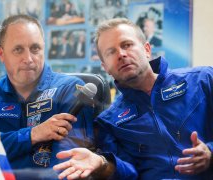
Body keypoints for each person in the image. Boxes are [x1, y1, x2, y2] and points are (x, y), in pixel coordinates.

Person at [53, 18, 213, 179]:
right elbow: (129, 174)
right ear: (105, 67)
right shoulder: (109, 122)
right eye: (111, 52)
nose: (121, 54)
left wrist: (210, 152)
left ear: (147, 50)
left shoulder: (203, 80)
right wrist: (102, 163)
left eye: (127, 45)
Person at [0, 14, 94, 178]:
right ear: (1, 54)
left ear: (44, 48)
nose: (28, 59)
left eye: (35, 48)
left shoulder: (70, 91)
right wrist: (32, 135)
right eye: (18, 50)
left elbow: (70, 162)